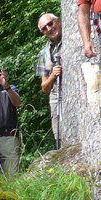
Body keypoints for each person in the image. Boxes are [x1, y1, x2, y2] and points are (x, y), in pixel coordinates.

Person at [36, 13, 63, 146]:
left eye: (50, 24)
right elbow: (44, 88)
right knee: (59, 136)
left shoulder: (72, 38)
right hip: (56, 97)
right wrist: (52, 75)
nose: (49, 29)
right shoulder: (43, 53)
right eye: (44, 28)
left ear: (58, 21)